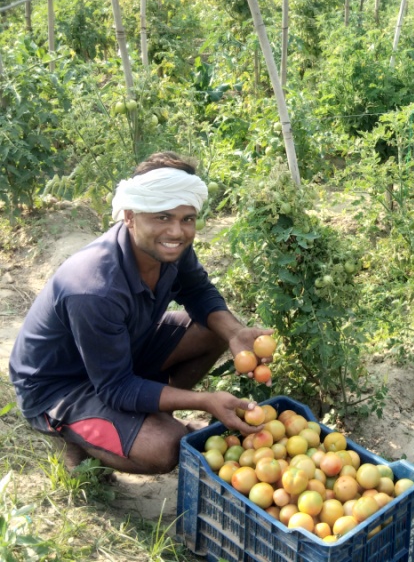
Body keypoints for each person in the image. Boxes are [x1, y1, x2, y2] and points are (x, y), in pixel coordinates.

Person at [9, 151, 271, 475]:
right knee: (165, 447)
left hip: (120, 352)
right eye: (162, 217)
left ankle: (147, 415)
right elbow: (116, 386)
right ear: (130, 216)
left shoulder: (170, 248)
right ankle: (76, 437)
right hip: (59, 386)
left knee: (213, 328)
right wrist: (205, 400)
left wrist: (234, 332)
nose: (177, 232)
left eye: (186, 219)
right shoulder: (93, 288)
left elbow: (198, 291)